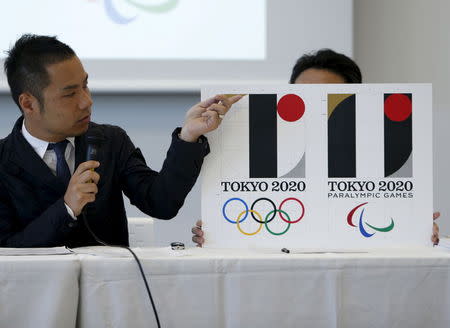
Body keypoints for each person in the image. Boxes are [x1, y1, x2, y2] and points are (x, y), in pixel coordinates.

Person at [0, 34, 242, 248]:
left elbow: (161, 203)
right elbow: (7, 249)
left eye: (86, 85)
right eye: (70, 93)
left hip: (111, 291)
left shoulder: (109, 141)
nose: (86, 101)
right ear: (29, 103)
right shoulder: (3, 161)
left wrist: (188, 136)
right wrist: (66, 209)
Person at [192, 49, 440, 246]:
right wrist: (219, 231)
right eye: (302, 95)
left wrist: (414, 228)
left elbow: (391, 225)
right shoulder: (260, 148)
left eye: (326, 95)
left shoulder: (378, 156)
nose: (313, 105)